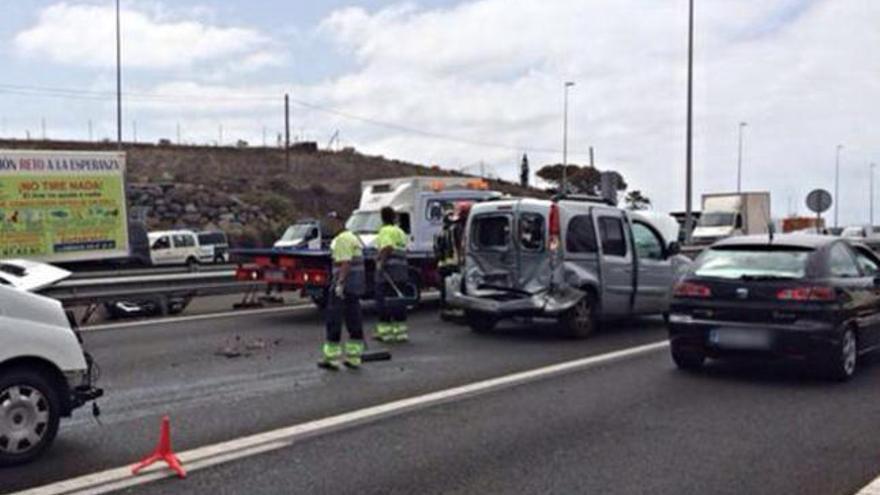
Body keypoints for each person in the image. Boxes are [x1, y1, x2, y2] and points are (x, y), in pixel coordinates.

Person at [318, 225, 366, 370]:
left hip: (344, 286)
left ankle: (331, 359)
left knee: (334, 319)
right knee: (354, 320)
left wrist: (339, 283)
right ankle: (354, 358)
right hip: (355, 285)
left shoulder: (341, 239)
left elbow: (345, 263)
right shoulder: (353, 238)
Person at [374, 206, 410, 343]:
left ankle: (386, 334)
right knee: (399, 301)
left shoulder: (384, 231)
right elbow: (404, 249)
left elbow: (387, 247)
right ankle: (401, 333)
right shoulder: (400, 231)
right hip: (401, 270)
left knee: (384, 302)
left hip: (388, 273)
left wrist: (380, 262)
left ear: (382, 218)